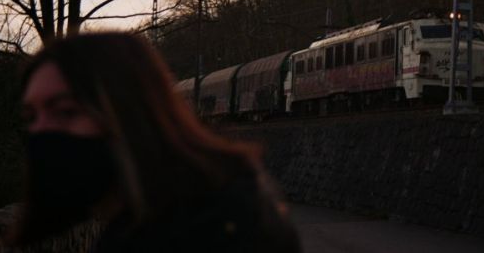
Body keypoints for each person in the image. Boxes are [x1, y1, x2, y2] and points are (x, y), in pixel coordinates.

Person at [15, 31, 301, 252]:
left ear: (129, 111)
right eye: (31, 116)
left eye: (66, 111)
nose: (41, 131)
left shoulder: (195, 232)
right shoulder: (224, 203)